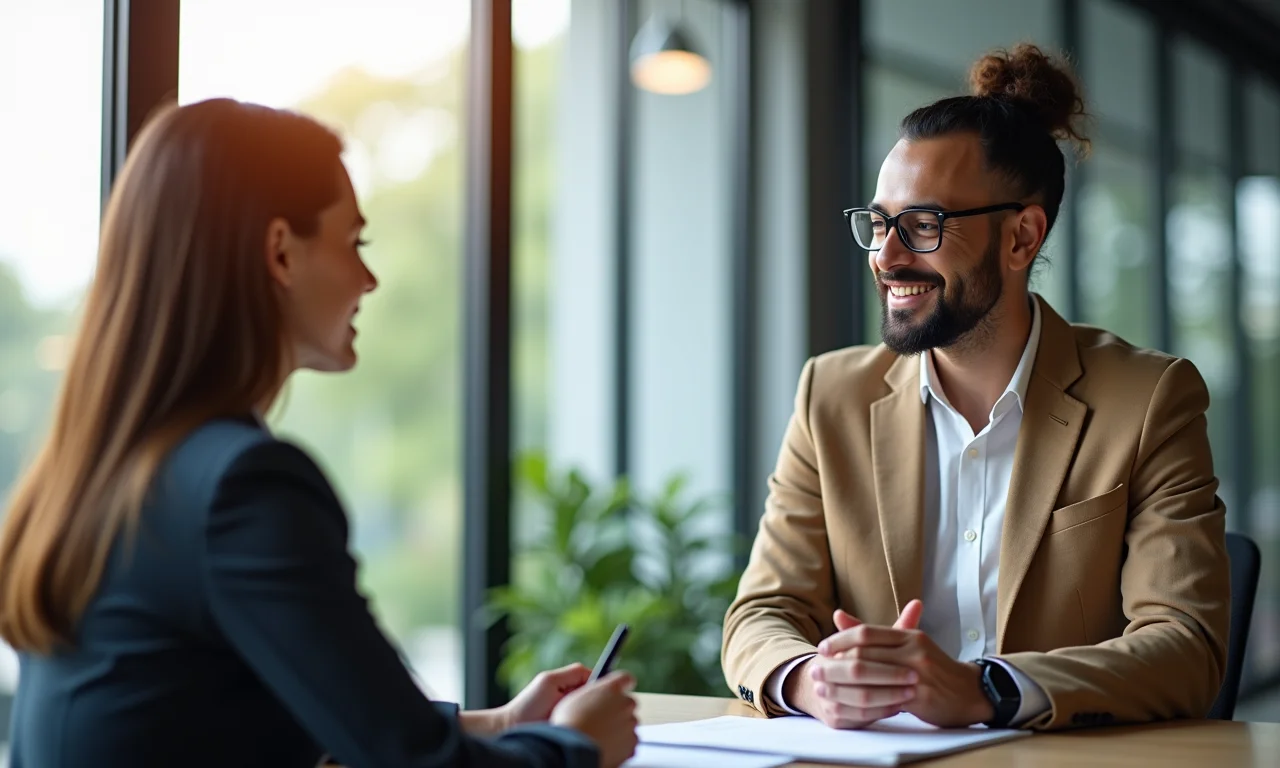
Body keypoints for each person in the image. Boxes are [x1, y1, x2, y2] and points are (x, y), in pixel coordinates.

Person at [0, 98, 638, 768]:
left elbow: (277, 712)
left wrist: (504, 723)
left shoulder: (115, 472)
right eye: (353, 242)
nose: (369, 278)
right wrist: (574, 747)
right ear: (280, 251)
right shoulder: (241, 488)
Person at [721, 44, 1229, 732]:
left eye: (923, 225)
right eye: (879, 223)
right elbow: (761, 614)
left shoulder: (1148, 399)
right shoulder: (829, 396)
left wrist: (989, 690)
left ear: (1022, 237)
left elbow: (1186, 646)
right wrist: (811, 676)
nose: (888, 255)